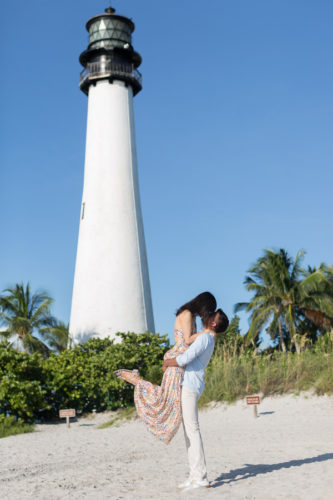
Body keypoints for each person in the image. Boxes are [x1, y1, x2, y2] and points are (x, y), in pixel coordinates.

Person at [114, 292, 217, 444]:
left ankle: (137, 380)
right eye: (208, 310)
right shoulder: (187, 313)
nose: (206, 315)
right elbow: (187, 340)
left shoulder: (190, 315)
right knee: (168, 402)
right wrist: (207, 332)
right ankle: (137, 380)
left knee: (169, 401)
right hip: (177, 361)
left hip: (180, 363)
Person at [162, 308, 229, 491]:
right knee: (189, 431)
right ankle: (194, 475)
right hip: (190, 384)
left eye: (212, 315)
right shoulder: (206, 337)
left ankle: (201, 476)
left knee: (192, 430)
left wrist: (168, 363)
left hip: (190, 385)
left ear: (214, 323)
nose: (207, 315)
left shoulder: (206, 338)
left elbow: (186, 358)